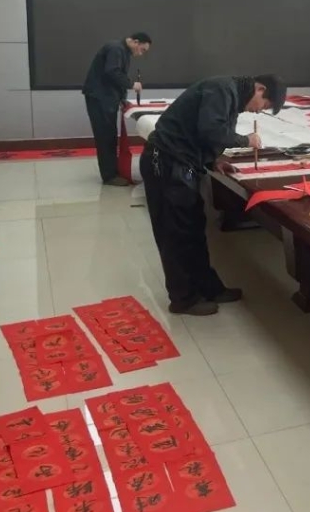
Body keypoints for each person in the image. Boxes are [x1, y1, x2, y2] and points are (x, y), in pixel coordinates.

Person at [140, 75, 286, 316]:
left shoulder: (232, 99)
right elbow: (210, 131)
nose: (259, 111)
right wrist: (246, 140)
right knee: (176, 233)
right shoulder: (221, 90)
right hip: (166, 162)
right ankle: (183, 299)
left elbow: (203, 135)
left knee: (194, 228)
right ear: (260, 89)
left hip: (183, 162)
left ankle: (209, 288)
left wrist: (214, 160)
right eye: (265, 105)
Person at [82, 33, 152, 186]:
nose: (141, 54)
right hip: (100, 97)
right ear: (135, 42)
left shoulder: (122, 51)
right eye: (142, 49)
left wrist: (121, 98)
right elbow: (112, 72)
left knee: (110, 135)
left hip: (106, 97)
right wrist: (131, 84)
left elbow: (116, 77)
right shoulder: (116, 49)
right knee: (105, 136)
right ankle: (109, 176)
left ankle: (114, 171)